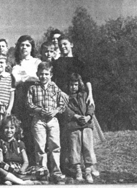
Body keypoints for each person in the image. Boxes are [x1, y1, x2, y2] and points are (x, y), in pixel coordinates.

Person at [52, 35, 104, 176]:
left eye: (65, 44)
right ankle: (70, 165)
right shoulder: (57, 63)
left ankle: (90, 166)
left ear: (71, 45)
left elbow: (87, 79)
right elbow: (55, 82)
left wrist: (90, 95)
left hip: (80, 101)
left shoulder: (79, 61)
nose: (63, 47)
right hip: (65, 100)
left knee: (86, 134)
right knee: (69, 134)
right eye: (61, 45)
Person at [26, 61, 66, 184]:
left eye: (46, 74)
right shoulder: (33, 88)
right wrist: (38, 110)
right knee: (40, 146)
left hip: (52, 119)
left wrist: (55, 111)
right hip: (38, 120)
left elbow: (62, 103)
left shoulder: (55, 87)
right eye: (41, 74)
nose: (44, 76)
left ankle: (56, 172)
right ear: (37, 74)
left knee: (54, 145)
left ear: (51, 75)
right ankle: (42, 171)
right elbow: (28, 104)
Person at [12, 35, 41, 164]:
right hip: (20, 97)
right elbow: (16, 81)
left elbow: (39, 78)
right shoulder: (16, 64)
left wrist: (26, 77)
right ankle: (24, 160)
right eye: (22, 45)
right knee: (22, 127)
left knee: (35, 127)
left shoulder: (37, 62)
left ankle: (37, 162)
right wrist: (28, 77)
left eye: (27, 45)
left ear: (31, 47)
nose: (24, 47)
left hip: (35, 96)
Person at [65, 73, 97, 183]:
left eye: (75, 85)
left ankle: (88, 170)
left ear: (79, 85)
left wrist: (88, 116)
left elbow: (91, 105)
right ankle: (78, 169)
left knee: (88, 147)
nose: (73, 87)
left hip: (86, 124)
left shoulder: (85, 94)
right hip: (74, 125)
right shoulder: (66, 97)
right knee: (75, 148)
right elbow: (65, 109)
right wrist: (76, 116)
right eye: (71, 85)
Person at [0, 116, 37, 185]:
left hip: (19, 171)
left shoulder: (20, 144)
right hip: (7, 170)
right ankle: (21, 182)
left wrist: (21, 170)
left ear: (16, 129)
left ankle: (14, 180)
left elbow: (26, 162)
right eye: (6, 128)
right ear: (3, 129)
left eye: (12, 128)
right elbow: (0, 161)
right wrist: (10, 169)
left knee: (39, 169)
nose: (9, 130)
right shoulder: (0, 143)